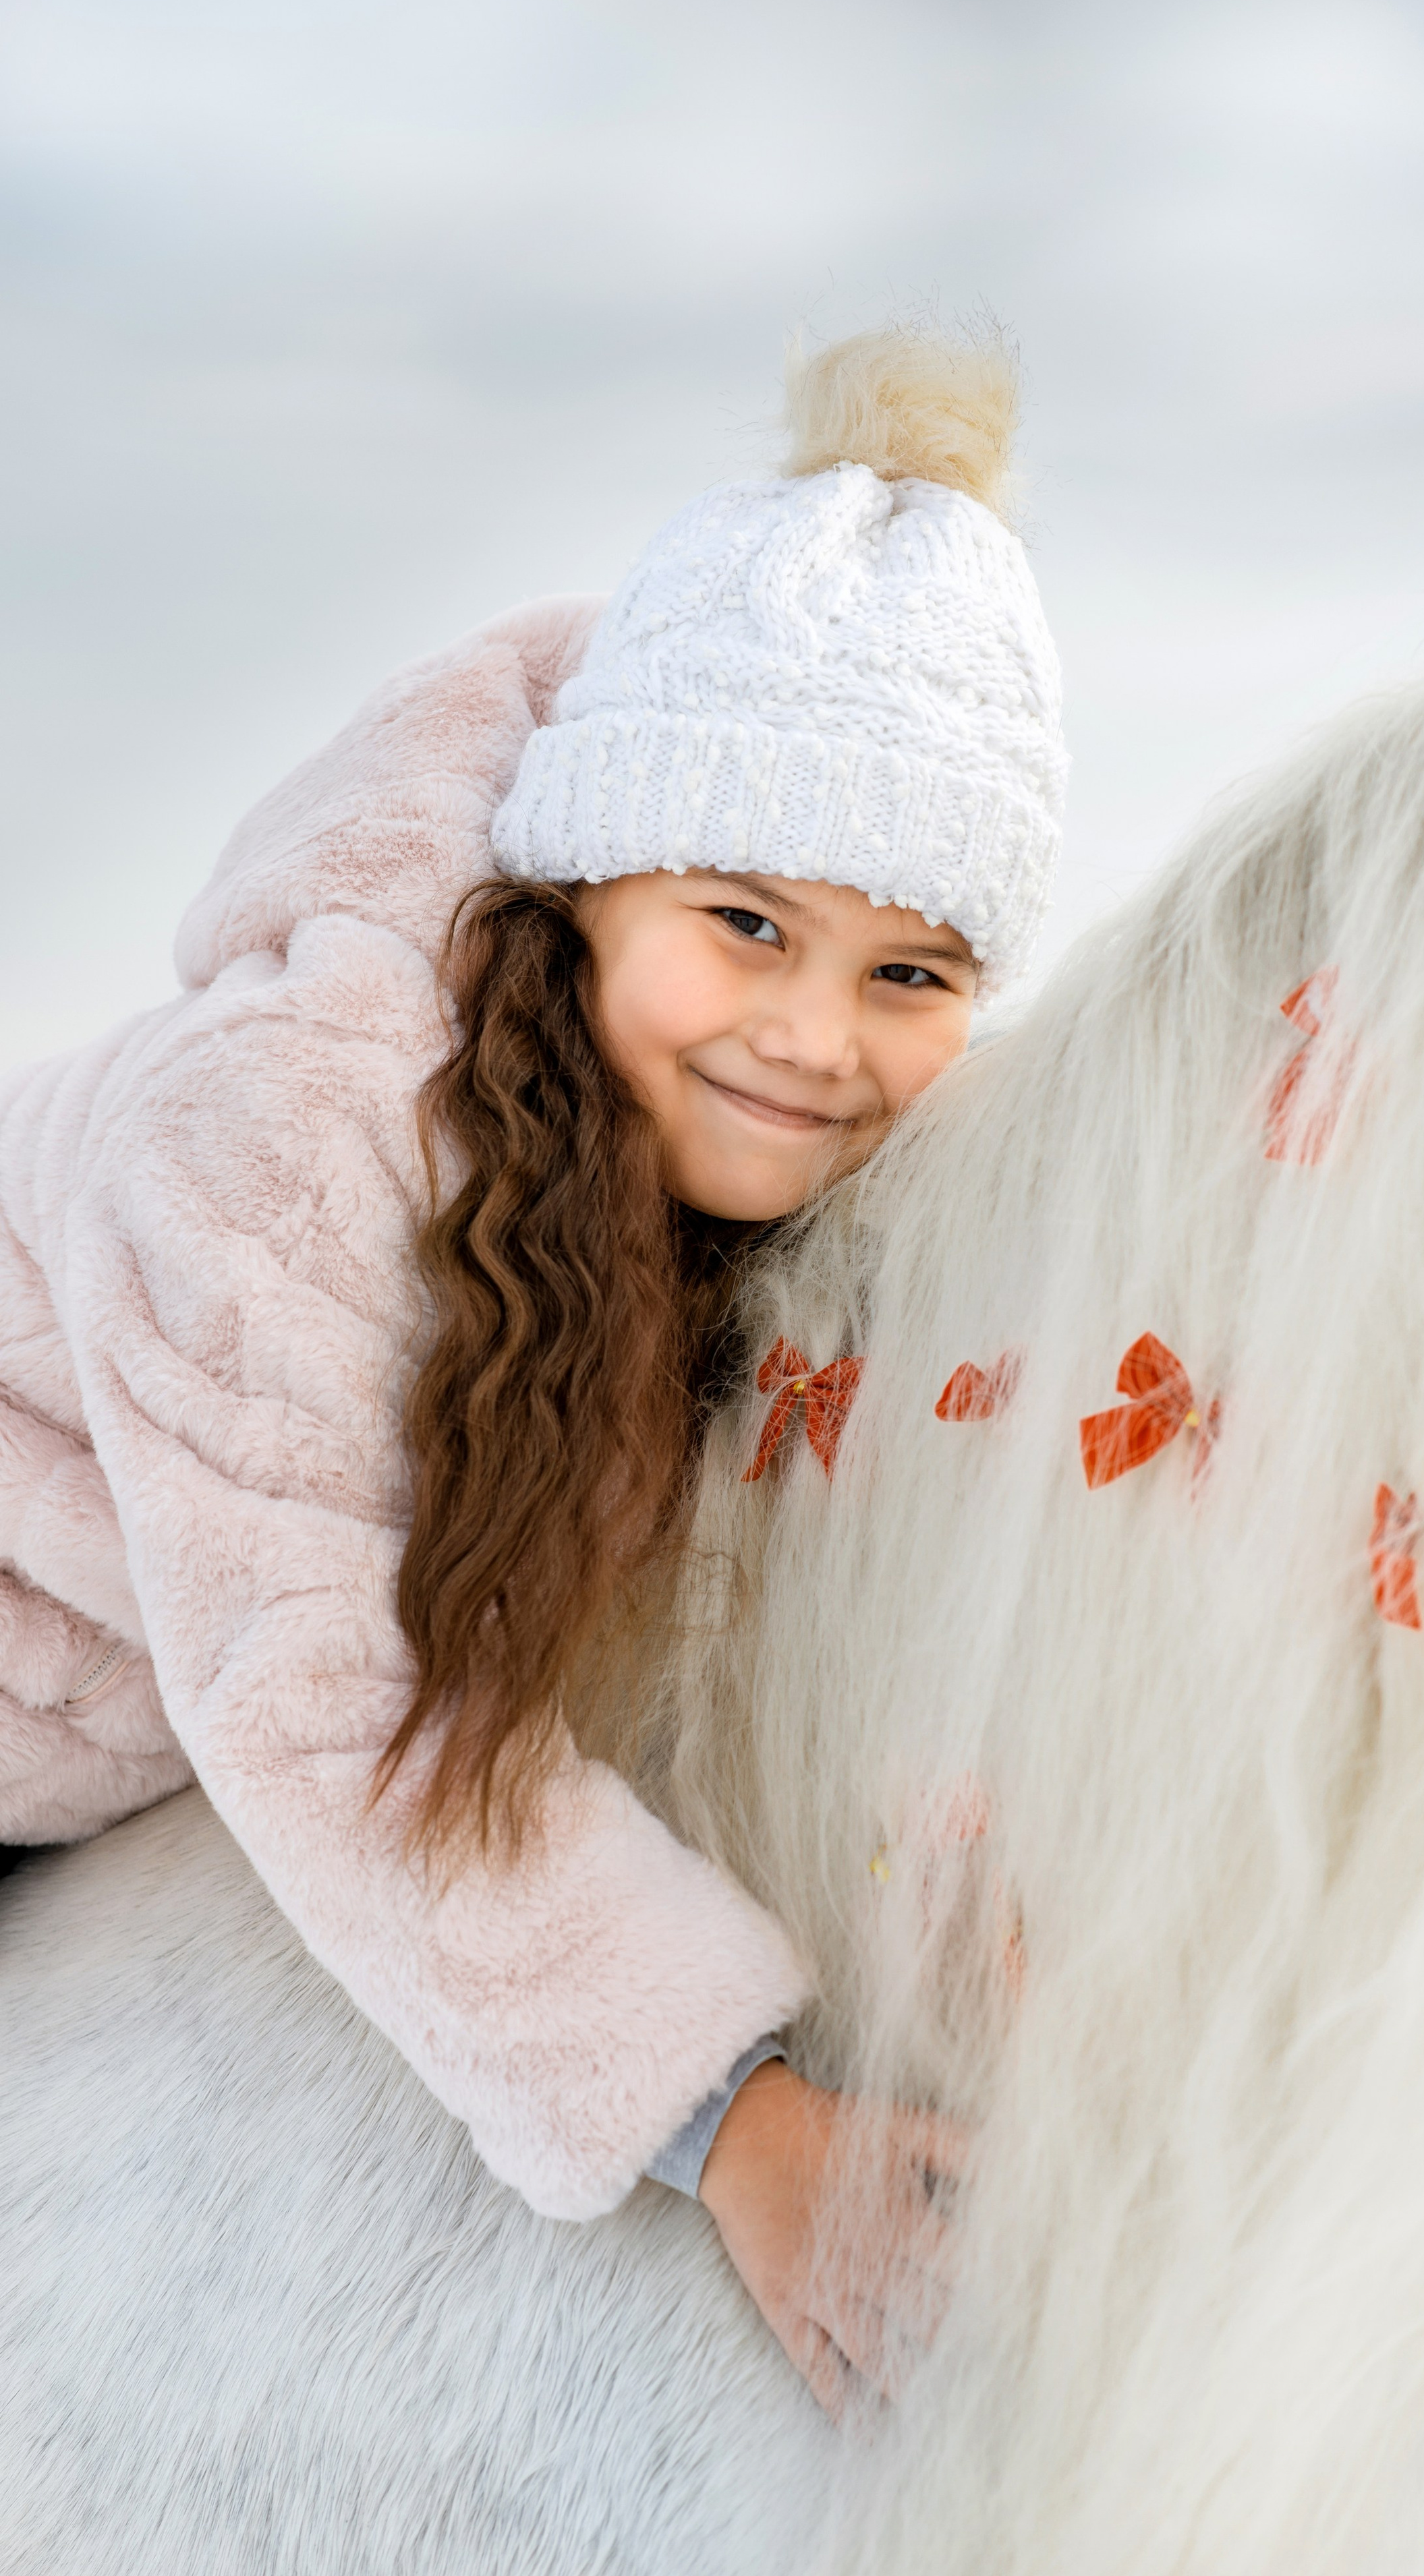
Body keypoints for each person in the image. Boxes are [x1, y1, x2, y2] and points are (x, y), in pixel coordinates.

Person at [0, 323, 1066, 2418]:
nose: (815, 1036)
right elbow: (329, 1690)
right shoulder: (280, 1148)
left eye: (908, 968)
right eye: (744, 921)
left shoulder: (762, 1151)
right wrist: (726, 2115)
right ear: (590, 885)